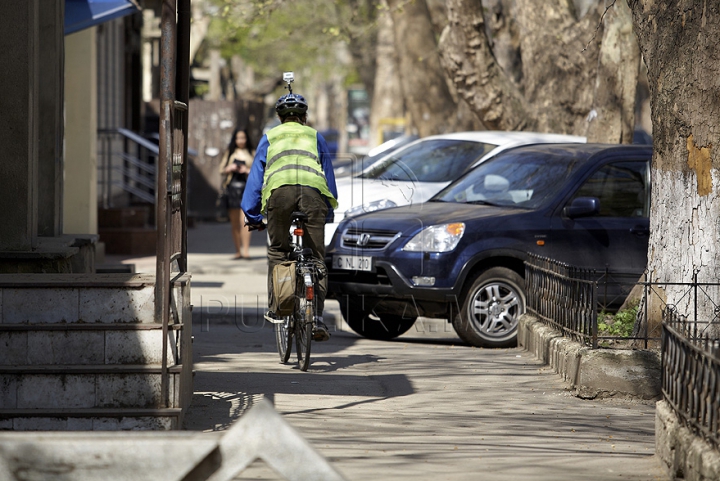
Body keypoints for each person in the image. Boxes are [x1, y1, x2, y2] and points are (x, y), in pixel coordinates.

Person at [241, 92, 338, 342]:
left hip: (280, 195)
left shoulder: (270, 136)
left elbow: (256, 177)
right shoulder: (315, 136)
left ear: (279, 117)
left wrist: (252, 215)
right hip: (314, 195)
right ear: (304, 116)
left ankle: (277, 307)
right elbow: (328, 173)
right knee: (316, 258)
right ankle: (316, 317)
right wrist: (328, 212)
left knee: (278, 251)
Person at [220, 127, 255, 260]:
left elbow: (259, 171)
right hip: (232, 190)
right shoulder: (230, 152)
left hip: (247, 189)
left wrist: (247, 170)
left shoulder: (252, 152)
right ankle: (237, 251)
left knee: (245, 221)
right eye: (238, 138)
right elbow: (221, 169)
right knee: (234, 222)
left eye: (243, 138)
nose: (241, 140)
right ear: (235, 139)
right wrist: (230, 168)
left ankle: (246, 251)